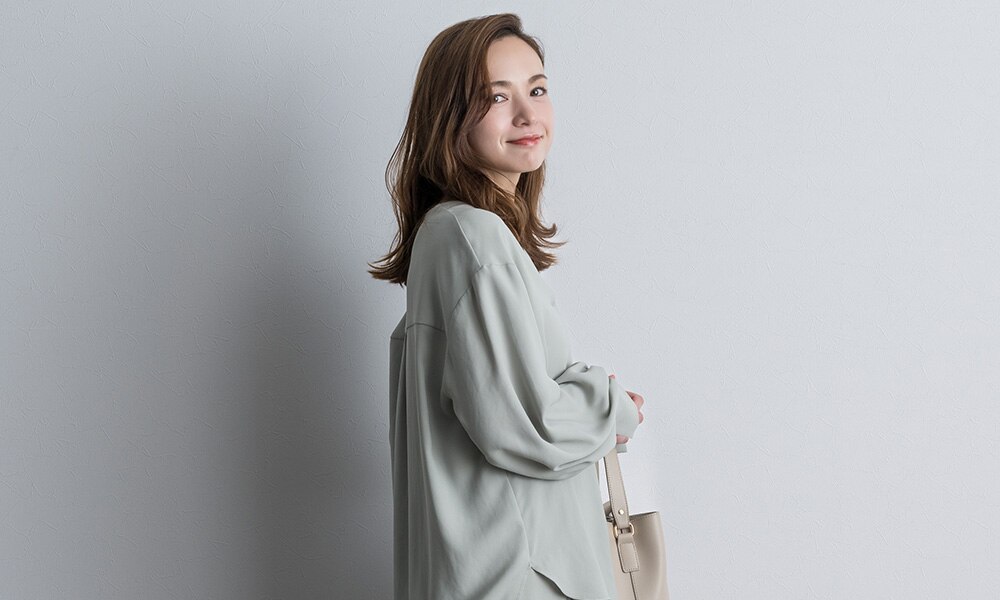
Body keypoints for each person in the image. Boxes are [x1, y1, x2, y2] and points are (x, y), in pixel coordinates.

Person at [369, 13, 646, 600]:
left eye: (537, 89)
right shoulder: (472, 238)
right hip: (519, 576)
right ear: (450, 117)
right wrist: (610, 405)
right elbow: (526, 425)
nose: (527, 114)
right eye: (497, 97)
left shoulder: (450, 237)